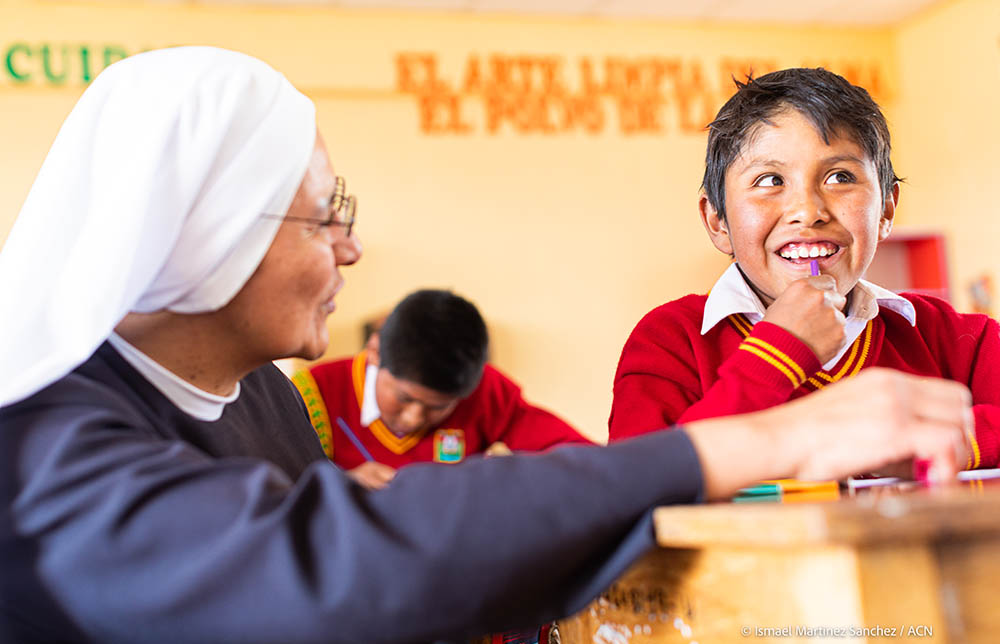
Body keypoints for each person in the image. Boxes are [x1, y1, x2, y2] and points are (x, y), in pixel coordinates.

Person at [0, 48, 973, 644]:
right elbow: (338, 563)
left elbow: (441, 541)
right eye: (323, 212)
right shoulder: (44, 449)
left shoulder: (251, 396)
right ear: (206, 229)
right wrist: (759, 439)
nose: (351, 245)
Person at [608, 67, 1000, 471]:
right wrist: (777, 352)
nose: (808, 212)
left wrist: (938, 444)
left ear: (885, 209)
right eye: (769, 180)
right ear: (717, 222)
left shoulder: (957, 340)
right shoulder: (670, 342)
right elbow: (636, 482)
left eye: (840, 176)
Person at [293, 289, 590, 490]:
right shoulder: (311, 395)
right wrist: (339, 487)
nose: (414, 418)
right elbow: (271, 497)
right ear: (374, 352)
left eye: (438, 407)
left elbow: (576, 458)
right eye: (404, 398)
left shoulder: (484, 390)